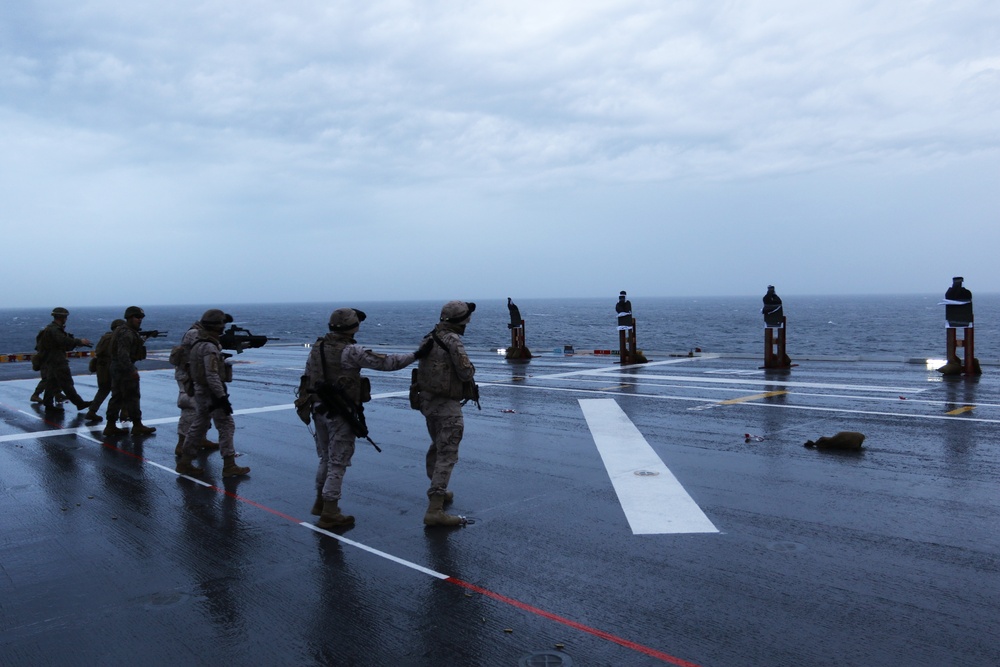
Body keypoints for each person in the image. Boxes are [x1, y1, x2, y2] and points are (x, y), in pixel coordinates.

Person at [302, 308, 429, 529]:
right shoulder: (350, 351)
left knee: (324, 458)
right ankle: (330, 512)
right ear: (352, 327)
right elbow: (388, 363)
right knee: (338, 461)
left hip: (318, 409)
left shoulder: (317, 347)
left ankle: (320, 502)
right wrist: (417, 355)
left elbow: (307, 377)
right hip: (340, 412)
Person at [415, 301, 477, 527]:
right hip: (447, 405)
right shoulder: (453, 341)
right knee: (447, 453)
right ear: (462, 320)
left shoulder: (429, 337)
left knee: (437, 445)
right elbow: (465, 371)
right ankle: (435, 507)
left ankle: (437, 489)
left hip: (428, 403)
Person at [176, 309, 248, 478]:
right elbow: (212, 375)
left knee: (198, 425)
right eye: (222, 324)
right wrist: (222, 397)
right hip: (211, 393)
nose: (223, 327)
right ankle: (229, 464)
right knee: (226, 425)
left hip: (200, 390)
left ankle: (185, 462)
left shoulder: (198, 344)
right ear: (216, 326)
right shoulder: (209, 347)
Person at [171, 317, 228, 457]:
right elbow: (207, 347)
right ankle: (181, 444)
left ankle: (201, 439)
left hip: (196, 374)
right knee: (190, 408)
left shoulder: (200, 333)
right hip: (187, 376)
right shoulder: (194, 333)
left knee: (203, 407)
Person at [104, 306, 155, 437]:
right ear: (129, 317)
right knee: (132, 396)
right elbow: (123, 354)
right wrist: (132, 370)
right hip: (124, 368)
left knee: (117, 397)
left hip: (117, 367)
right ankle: (137, 425)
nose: (140, 320)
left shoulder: (123, 330)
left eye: (141, 318)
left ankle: (111, 425)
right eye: (137, 317)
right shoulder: (126, 333)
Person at [34, 307, 92, 412]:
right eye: (65, 317)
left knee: (51, 384)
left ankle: (48, 405)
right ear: (62, 317)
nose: (66, 319)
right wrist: (80, 341)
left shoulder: (50, 328)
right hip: (58, 360)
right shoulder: (54, 329)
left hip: (51, 360)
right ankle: (79, 403)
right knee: (67, 383)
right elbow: (63, 341)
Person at [84, 319, 125, 423]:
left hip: (101, 368)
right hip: (111, 367)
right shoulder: (116, 338)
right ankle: (123, 415)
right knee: (120, 391)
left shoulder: (105, 337)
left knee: (103, 390)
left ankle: (92, 411)